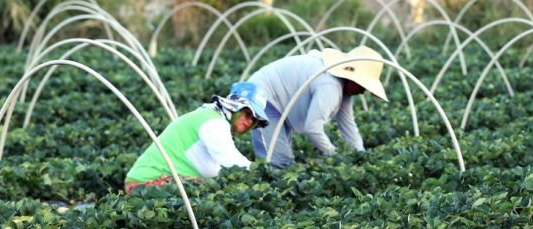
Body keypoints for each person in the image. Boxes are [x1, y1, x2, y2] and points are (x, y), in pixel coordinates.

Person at [246, 46, 388, 168]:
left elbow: (348, 125)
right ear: (352, 78)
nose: (363, 91)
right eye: (363, 85)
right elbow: (312, 128)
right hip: (262, 95)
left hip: (279, 100)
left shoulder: (343, 88)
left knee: (282, 160)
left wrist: (360, 155)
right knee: (278, 162)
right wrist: (333, 154)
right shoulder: (330, 86)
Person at [124, 82, 269, 194]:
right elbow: (231, 161)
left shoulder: (212, 116)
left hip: (155, 181)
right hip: (145, 184)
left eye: (254, 119)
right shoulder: (214, 122)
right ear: (235, 107)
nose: (249, 121)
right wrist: (263, 174)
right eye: (247, 114)